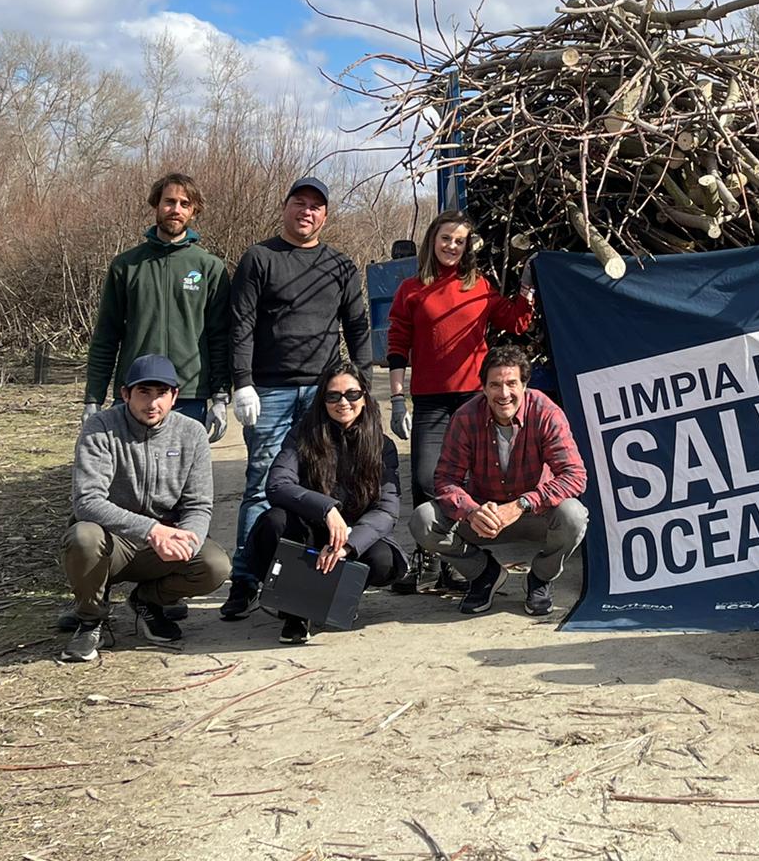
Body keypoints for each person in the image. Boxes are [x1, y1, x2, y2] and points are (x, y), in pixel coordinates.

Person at [221, 175, 374, 619]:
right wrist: (242, 381)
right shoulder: (260, 258)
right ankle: (246, 579)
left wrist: (359, 381)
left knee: (321, 481)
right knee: (262, 486)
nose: (306, 212)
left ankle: (310, 573)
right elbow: (241, 325)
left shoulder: (340, 266)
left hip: (325, 392)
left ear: (325, 215)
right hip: (268, 389)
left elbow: (358, 326)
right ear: (285, 207)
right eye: (299, 203)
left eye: (315, 206)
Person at [386, 210, 535, 594]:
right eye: (445, 238)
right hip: (431, 400)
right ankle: (426, 554)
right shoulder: (412, 289)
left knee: (468, 480)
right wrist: (398, 398)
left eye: (459, 240)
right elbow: (398, 344)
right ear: (432, 240)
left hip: (473, 398)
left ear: (467, 247)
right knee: (425, 478)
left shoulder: (480, 286)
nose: (452, 246)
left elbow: (515, 322)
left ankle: (458, 559)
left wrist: (528, 286)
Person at [58, 354, 230, 663]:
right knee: (83, 537)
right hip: (111, 541)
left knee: (214, 564)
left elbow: (199, 504)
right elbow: (87, 501)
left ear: (174, 396)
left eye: (161, 393)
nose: (152, 403)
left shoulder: (192, 434)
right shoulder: (100, 428)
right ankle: (89, 619)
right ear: (125, 394)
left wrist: (186, 539)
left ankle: (147, 602)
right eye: (143, 393)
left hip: (162, 545)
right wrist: (151, 530)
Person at [411, 345, 588, 617]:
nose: (504, 394)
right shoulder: (465, 417)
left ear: (525, 384)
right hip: (484, 517)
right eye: (495, 385)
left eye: (511, 384)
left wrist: (522, 504)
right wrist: (471, 511)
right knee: (423, 520)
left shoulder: (545, 412)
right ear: (482, 387)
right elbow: (446, 479)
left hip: (534, 514)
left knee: (574, 515)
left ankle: (540, 578)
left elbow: (574, 476)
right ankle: (484, 574)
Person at [244, 359, 409, 644]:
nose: (343, 402)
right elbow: (277, 485)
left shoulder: (383, 445)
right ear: (322, 400)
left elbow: (387, 510)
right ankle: (295, 610)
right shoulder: (301, 435)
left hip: (352, 534)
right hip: (308, 530)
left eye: (352, 394)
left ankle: (329, 596)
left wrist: (348, 544)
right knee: (274, 522)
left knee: (384, 560)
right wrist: (327, 509)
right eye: (333, 396)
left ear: (365, 397)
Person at [83, 172, 231, 437]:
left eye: (185, 204)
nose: (176, 210)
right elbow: (106, 335)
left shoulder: (209, 268)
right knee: (129, 474)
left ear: (194, 211)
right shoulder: (126, 266)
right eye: (169, 201)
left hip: (188, 394)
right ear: (156, 205)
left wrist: (220, 396)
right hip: (135, 392)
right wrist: (93, 398)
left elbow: (219, 336)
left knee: (181, 474)